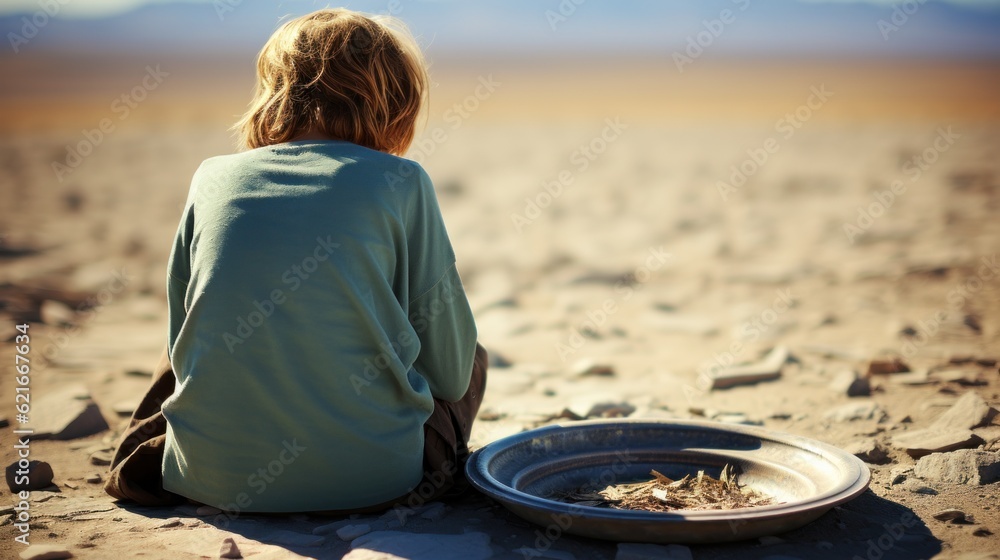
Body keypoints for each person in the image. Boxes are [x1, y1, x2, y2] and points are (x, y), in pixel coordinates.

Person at [105, 8, 487, 514]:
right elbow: (452, 373)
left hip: (208, 479)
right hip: (377, 482)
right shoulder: (402, 180)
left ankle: (157, 460)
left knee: (181, 347)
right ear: (396, 102)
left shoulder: (212, 177)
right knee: (470, 353)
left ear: (274, 92)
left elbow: (182, 343)